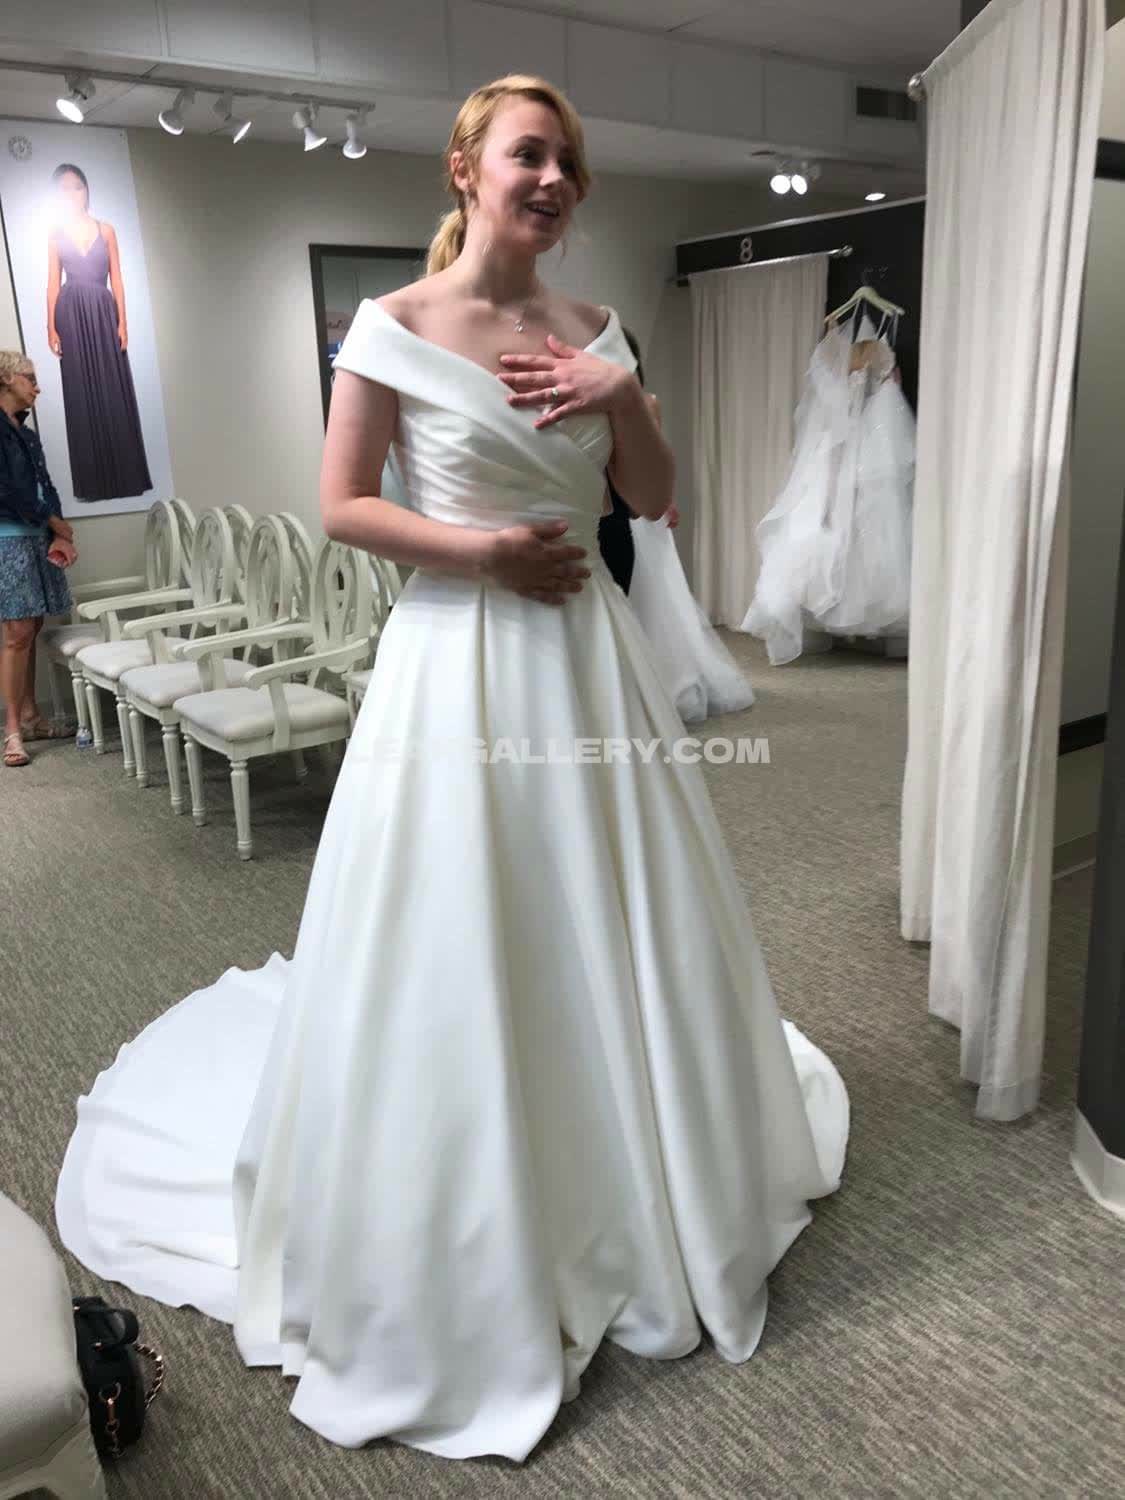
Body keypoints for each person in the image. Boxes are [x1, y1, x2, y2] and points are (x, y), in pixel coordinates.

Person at [55, 76, 848, 1463]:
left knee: (613, 906)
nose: (553, 180)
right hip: (459, 654)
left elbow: (654, 497)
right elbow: (342, 504)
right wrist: (480, 553)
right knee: (466, 916)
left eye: (569, 163)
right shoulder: (394, 328)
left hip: (587, 659)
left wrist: (624, 391)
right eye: (529, 154)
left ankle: (639, 1169)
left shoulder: (597, 331)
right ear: (468, 168)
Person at [618, 326, 755, 722]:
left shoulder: (647, 402)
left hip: (641, 508)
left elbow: (657, 458)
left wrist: (667, 500)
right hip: (611, 505)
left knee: (654, 590)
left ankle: (659, 680)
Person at [47, 163, 152, 502]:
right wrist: (51, 326)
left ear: (87, 189)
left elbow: (117, 278)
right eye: (65, 188)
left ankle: (125, 476)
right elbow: (53, 283)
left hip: (103, 310)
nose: (72, 193)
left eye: (77, 186)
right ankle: (91, 483)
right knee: (80, 390)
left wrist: (123, 322)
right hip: (71, 313)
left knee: (112, 385)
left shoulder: (106, 230)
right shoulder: (55, 234)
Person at [0, 352, 77, 767]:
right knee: (16, 633)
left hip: (36, 537)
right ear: (6, 379)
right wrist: (53, 521)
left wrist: (58, 530)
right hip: (7, 540)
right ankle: (12, 730)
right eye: (29, 378)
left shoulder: (26, 434)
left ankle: (31, 716)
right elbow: (6, 490)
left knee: (31, 628)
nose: (37, 386)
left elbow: (45, 483)